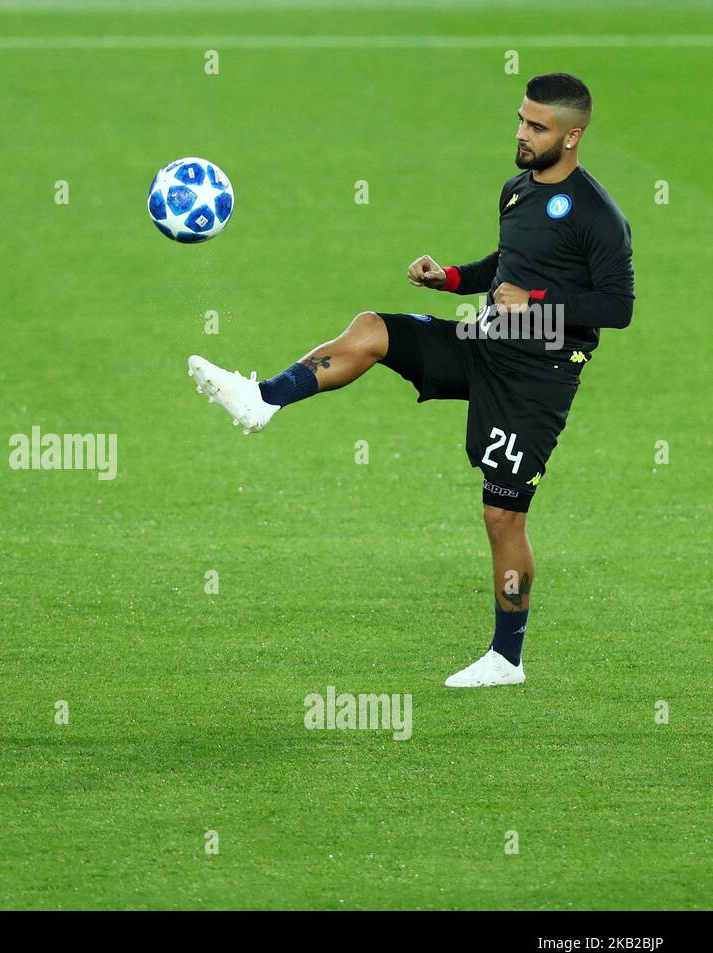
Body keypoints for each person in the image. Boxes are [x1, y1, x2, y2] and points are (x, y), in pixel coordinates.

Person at [188, 73, 633, 688]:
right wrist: (449, 278)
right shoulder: (517, 190)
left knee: (502, 518)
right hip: (486, 344)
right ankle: (261, 398)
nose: (522, 134)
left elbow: (617, 307)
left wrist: (533, 301)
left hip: (539, 377)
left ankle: (506, 658)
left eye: (537, 127)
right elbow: (505, 266)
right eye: (521, 120)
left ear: (573, 135)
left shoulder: (598, 216)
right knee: (373, 330)